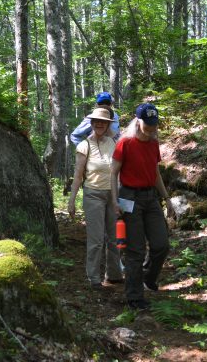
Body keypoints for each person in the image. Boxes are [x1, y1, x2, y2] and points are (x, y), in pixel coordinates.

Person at [110, 103, 175, 310]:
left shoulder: (153, 145)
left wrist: (167, 198)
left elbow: (155, 173)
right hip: (129, 197)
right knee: (135, 250)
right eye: (147, 124)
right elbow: (113, 173)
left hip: (150, 197)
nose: (151, 128)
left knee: (161, 244)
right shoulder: (125, 143)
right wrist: (114, 201)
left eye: (154, 124)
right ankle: (134, 297)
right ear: (138, 121)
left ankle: (148, 277)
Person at [68, 108, 124, 289]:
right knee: (96, 239)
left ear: (108, 124)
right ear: (91, 123)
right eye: (96, 121)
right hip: (93, 195)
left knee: (114, 238)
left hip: (112, 194)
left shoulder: (114, 143)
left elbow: (118, 172)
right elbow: (78, 175)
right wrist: (72, 200)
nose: (99, 124)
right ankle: (93, 277)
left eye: (103, 121)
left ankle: (114, 275)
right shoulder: (84, 145)